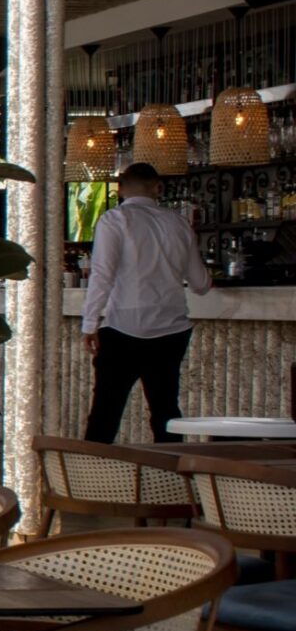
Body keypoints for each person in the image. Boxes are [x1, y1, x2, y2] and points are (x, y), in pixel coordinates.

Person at [82, 160, 211, 443]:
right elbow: (200, 283)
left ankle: (87, 469)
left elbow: (102, 274)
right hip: (171, 328)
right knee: (165, 411)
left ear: (120, 189)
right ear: (158, 188)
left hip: (123, 326)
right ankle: (171, 469)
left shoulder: (114, 220)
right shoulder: (179, 223)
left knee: (106, 410)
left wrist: (90, 323)